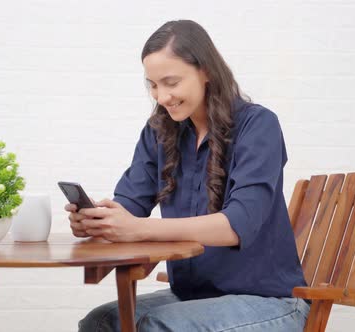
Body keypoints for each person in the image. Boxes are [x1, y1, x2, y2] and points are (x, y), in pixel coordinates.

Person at [65, 20, 309, 331]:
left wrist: (139, 228)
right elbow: (129, 206)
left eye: (171, 82)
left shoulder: (258, 126)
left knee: (157, 326)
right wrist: (98, 222)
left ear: (205, 70)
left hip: (268, 301)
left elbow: (238, 224)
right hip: (192, 297)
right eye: (153, 84)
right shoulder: (159, 132)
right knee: (100, 323)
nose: (162, 96)